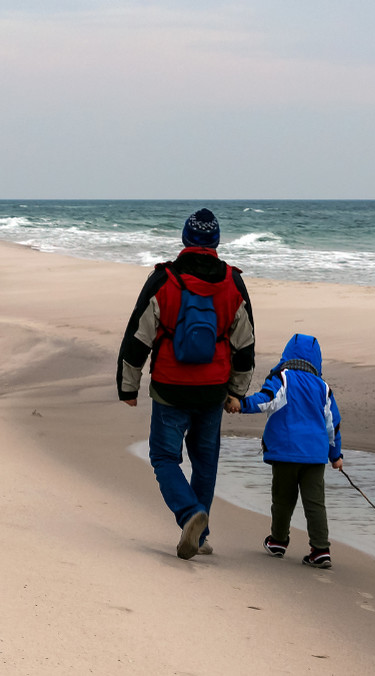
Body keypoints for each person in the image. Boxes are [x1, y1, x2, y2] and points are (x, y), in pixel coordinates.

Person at [117, 208, 256, 559]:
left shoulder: (165, 279)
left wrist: (128, 387)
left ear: (185, 239)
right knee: (205, 462)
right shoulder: (232, 283)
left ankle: (190, 514)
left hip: (170, 388)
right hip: (213, 390)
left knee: (164, 457)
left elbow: (138, 337)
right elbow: (245, 346)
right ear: (217, 242)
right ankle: (201, 534)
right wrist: (237, 392)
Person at [231, 334, 343, 568]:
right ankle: (321, 549)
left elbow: (267, 400)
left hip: (285, 452)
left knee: (282, 500)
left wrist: (241, 404)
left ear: (287, 355)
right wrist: (336, 456)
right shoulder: (323, 387)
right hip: (314, 456)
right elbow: (332, 425)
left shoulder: (283, 378)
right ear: (316, 361)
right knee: (315, 503)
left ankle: (278, 541)